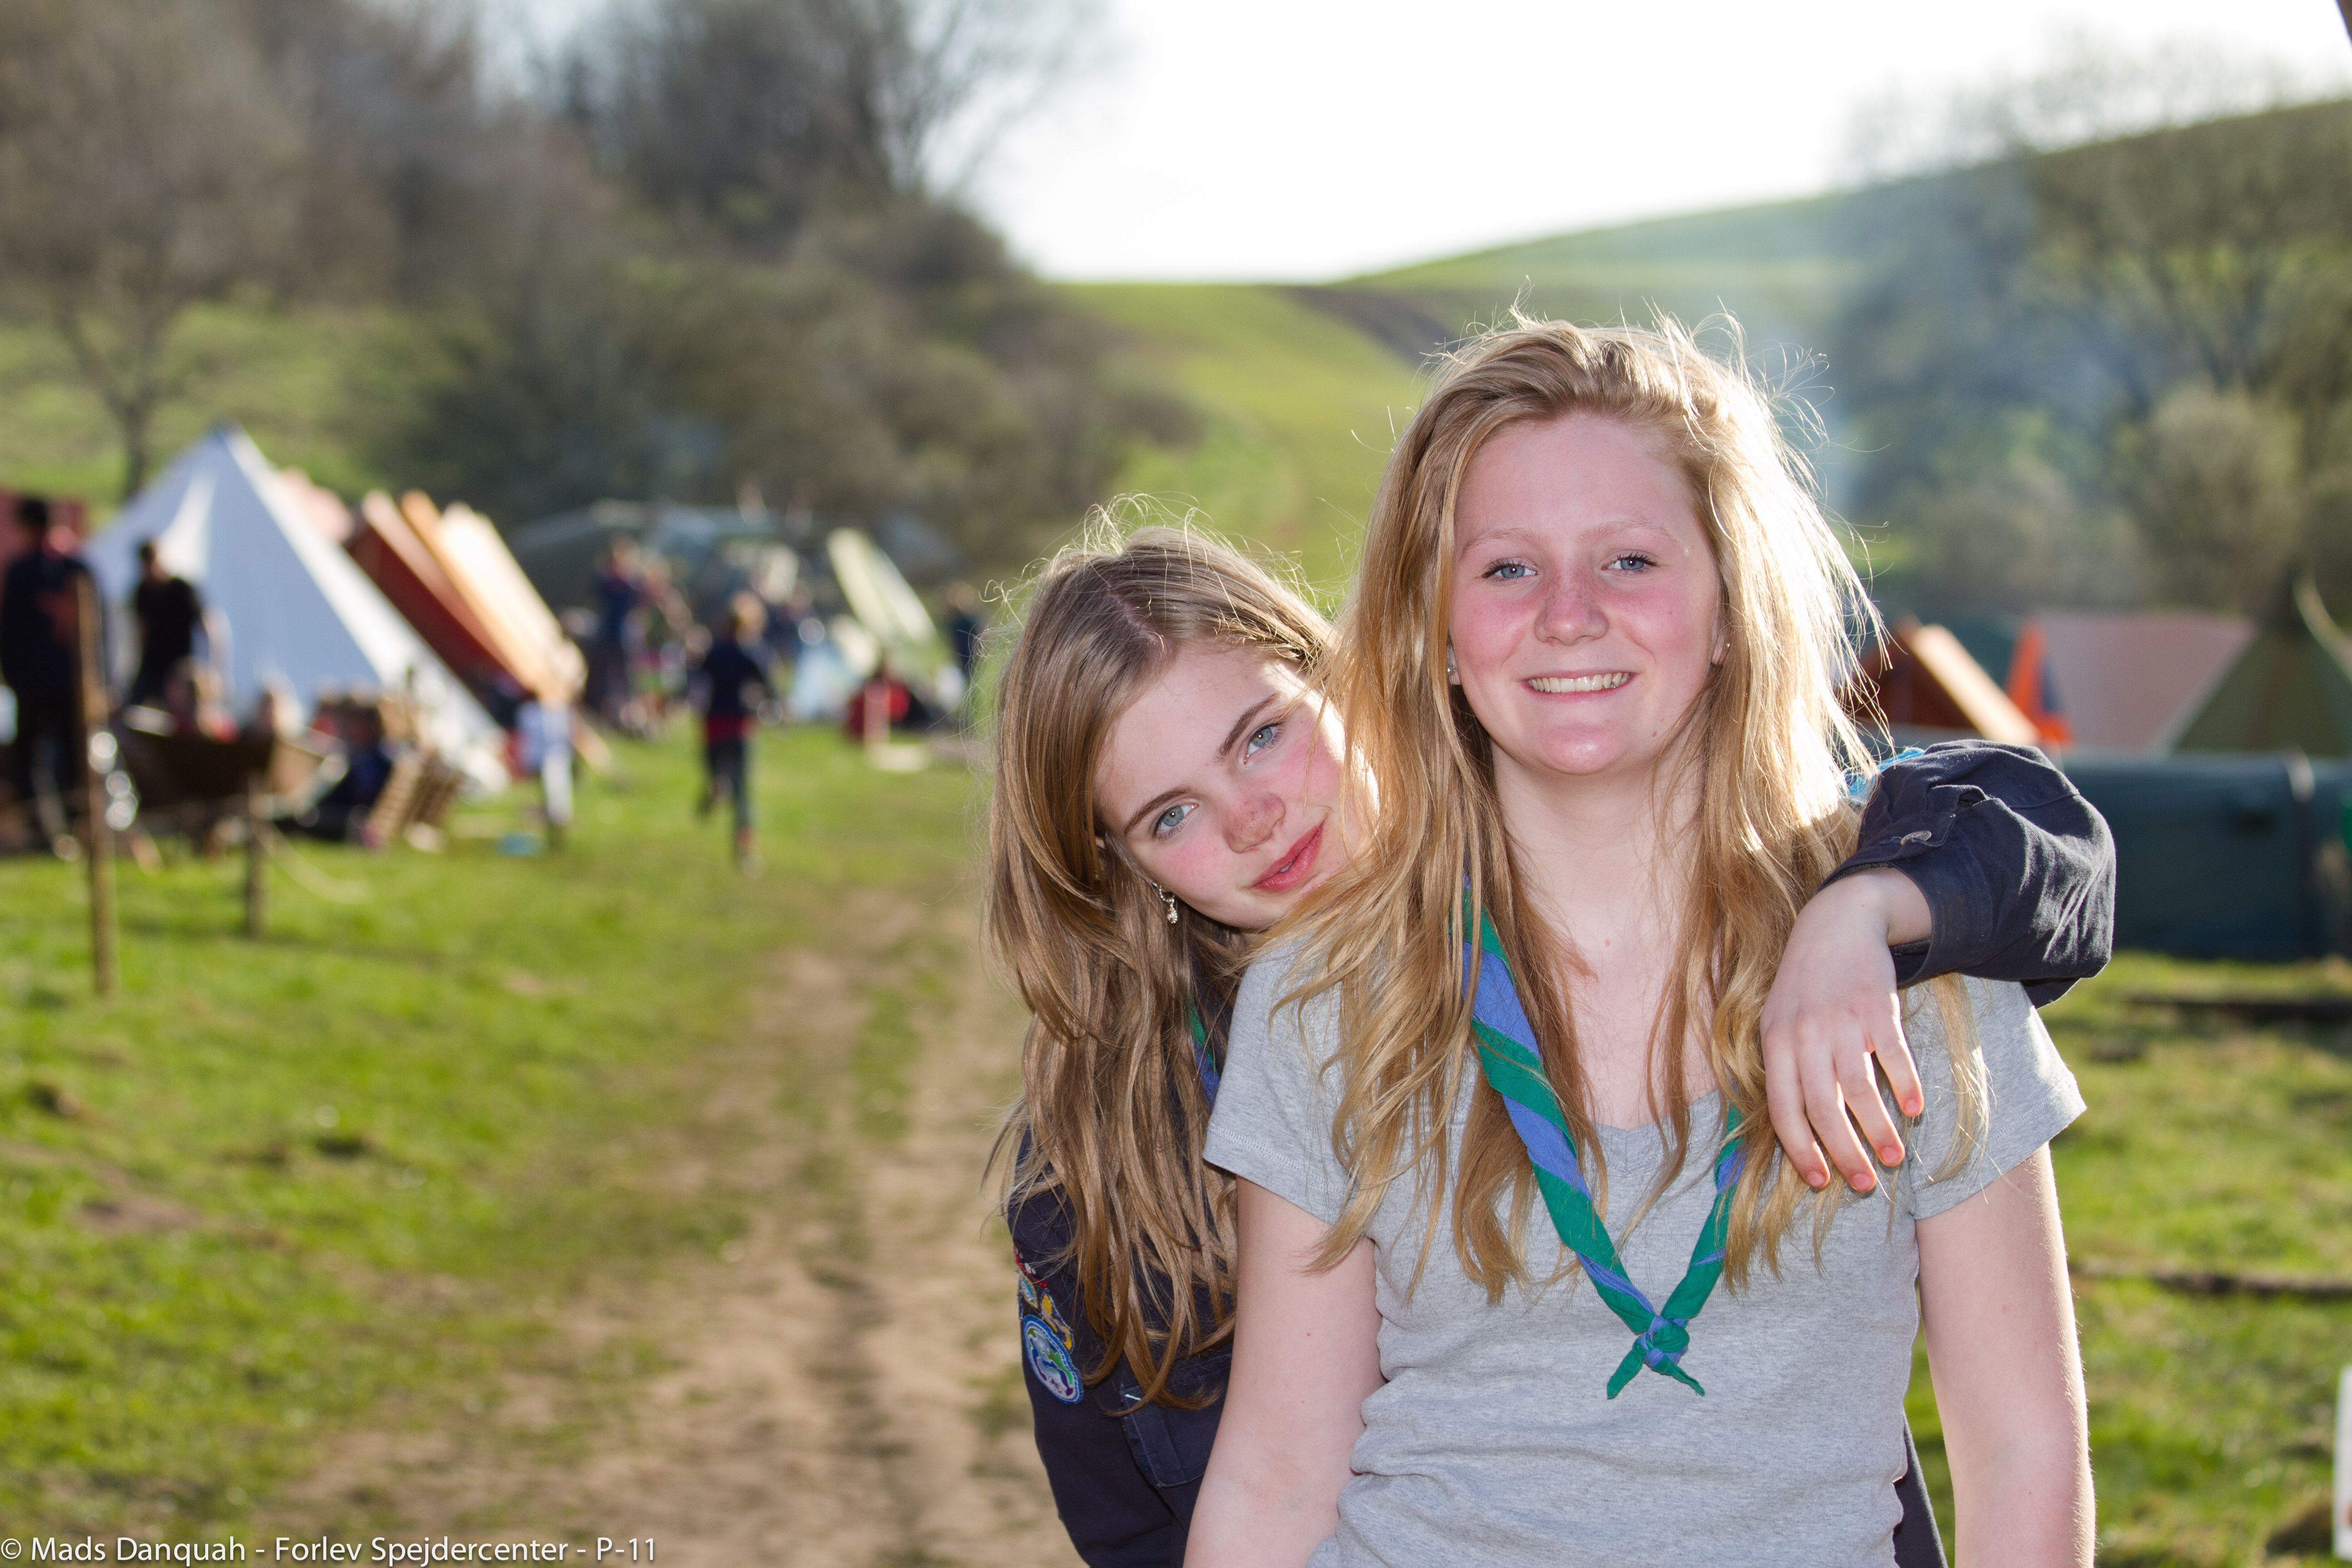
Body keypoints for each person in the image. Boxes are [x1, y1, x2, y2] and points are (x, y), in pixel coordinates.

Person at [985, 518, 2112, 1566]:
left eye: (1263, 736)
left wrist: (1862, 910)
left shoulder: (1575, 836)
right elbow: (1149, 1522)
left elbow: (2033, 829)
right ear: (1122, 868)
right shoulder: (1101, 1168)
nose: (1251, 818)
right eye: (1170, 815)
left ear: (1340, 678)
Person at [1189, 321, 2096, 1567]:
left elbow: (2023, 1451)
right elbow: (1278, 1481)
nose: (1569, 616)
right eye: (1507, 568)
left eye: (1628, 560)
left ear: (1728, 607)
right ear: (1435, 631)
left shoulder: (1911, 952)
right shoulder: (1325, 995)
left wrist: (1864, 920)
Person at [0, 495, 97, 853]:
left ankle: (48, 831)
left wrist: (10, 674)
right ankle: (74, 826)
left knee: (36, 759)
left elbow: (9, 630)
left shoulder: (26, 571)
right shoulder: (78, 566)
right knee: (70, 757)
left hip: (37, 683)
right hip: (71, 681)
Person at [691, 593, 774, 870]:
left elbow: (697, 675)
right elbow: (768, 683)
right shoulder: (752, 652)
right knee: (743, 793)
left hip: (714, 722)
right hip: (740, 724)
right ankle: (745, 852)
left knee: (716, 773)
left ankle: (717, 785)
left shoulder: (715, 650)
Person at [128, 539, 204, 709]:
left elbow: (205, 625)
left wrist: (208, 663)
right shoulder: (142, 592)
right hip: (153, 665)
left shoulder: (182, 589)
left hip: (180, 667)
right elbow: (141, 629)